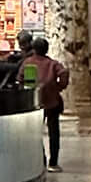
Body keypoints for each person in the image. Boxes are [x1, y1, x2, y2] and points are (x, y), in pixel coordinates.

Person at [33, 32, 68, 169]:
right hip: (52, 102)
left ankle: (40, 160)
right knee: (54, 132)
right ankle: (53, 162)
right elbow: (64, 73)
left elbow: (20, 78)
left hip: (35, 102)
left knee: (35, 133)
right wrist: (58, 87)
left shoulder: (28, 63)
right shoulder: (52, 64)